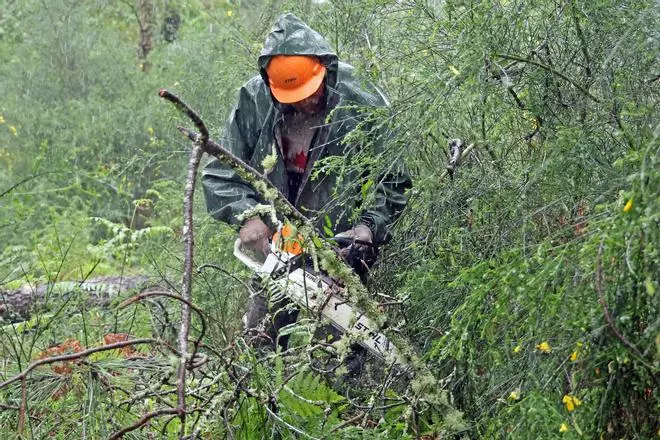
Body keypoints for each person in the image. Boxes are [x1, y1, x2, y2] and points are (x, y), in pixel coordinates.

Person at [202, 13, 411, 354]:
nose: (306, 101)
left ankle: (347, 404)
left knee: (341, 354)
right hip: (277, 249)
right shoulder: (255, 101)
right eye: (294, 95)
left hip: (342, 252)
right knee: (259, 346)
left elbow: (394, 177)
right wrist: (247, 217)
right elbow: (221, 171)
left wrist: (369, 227)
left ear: (324, 70)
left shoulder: (359, 98)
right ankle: (260, 402)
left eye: (310, 91)